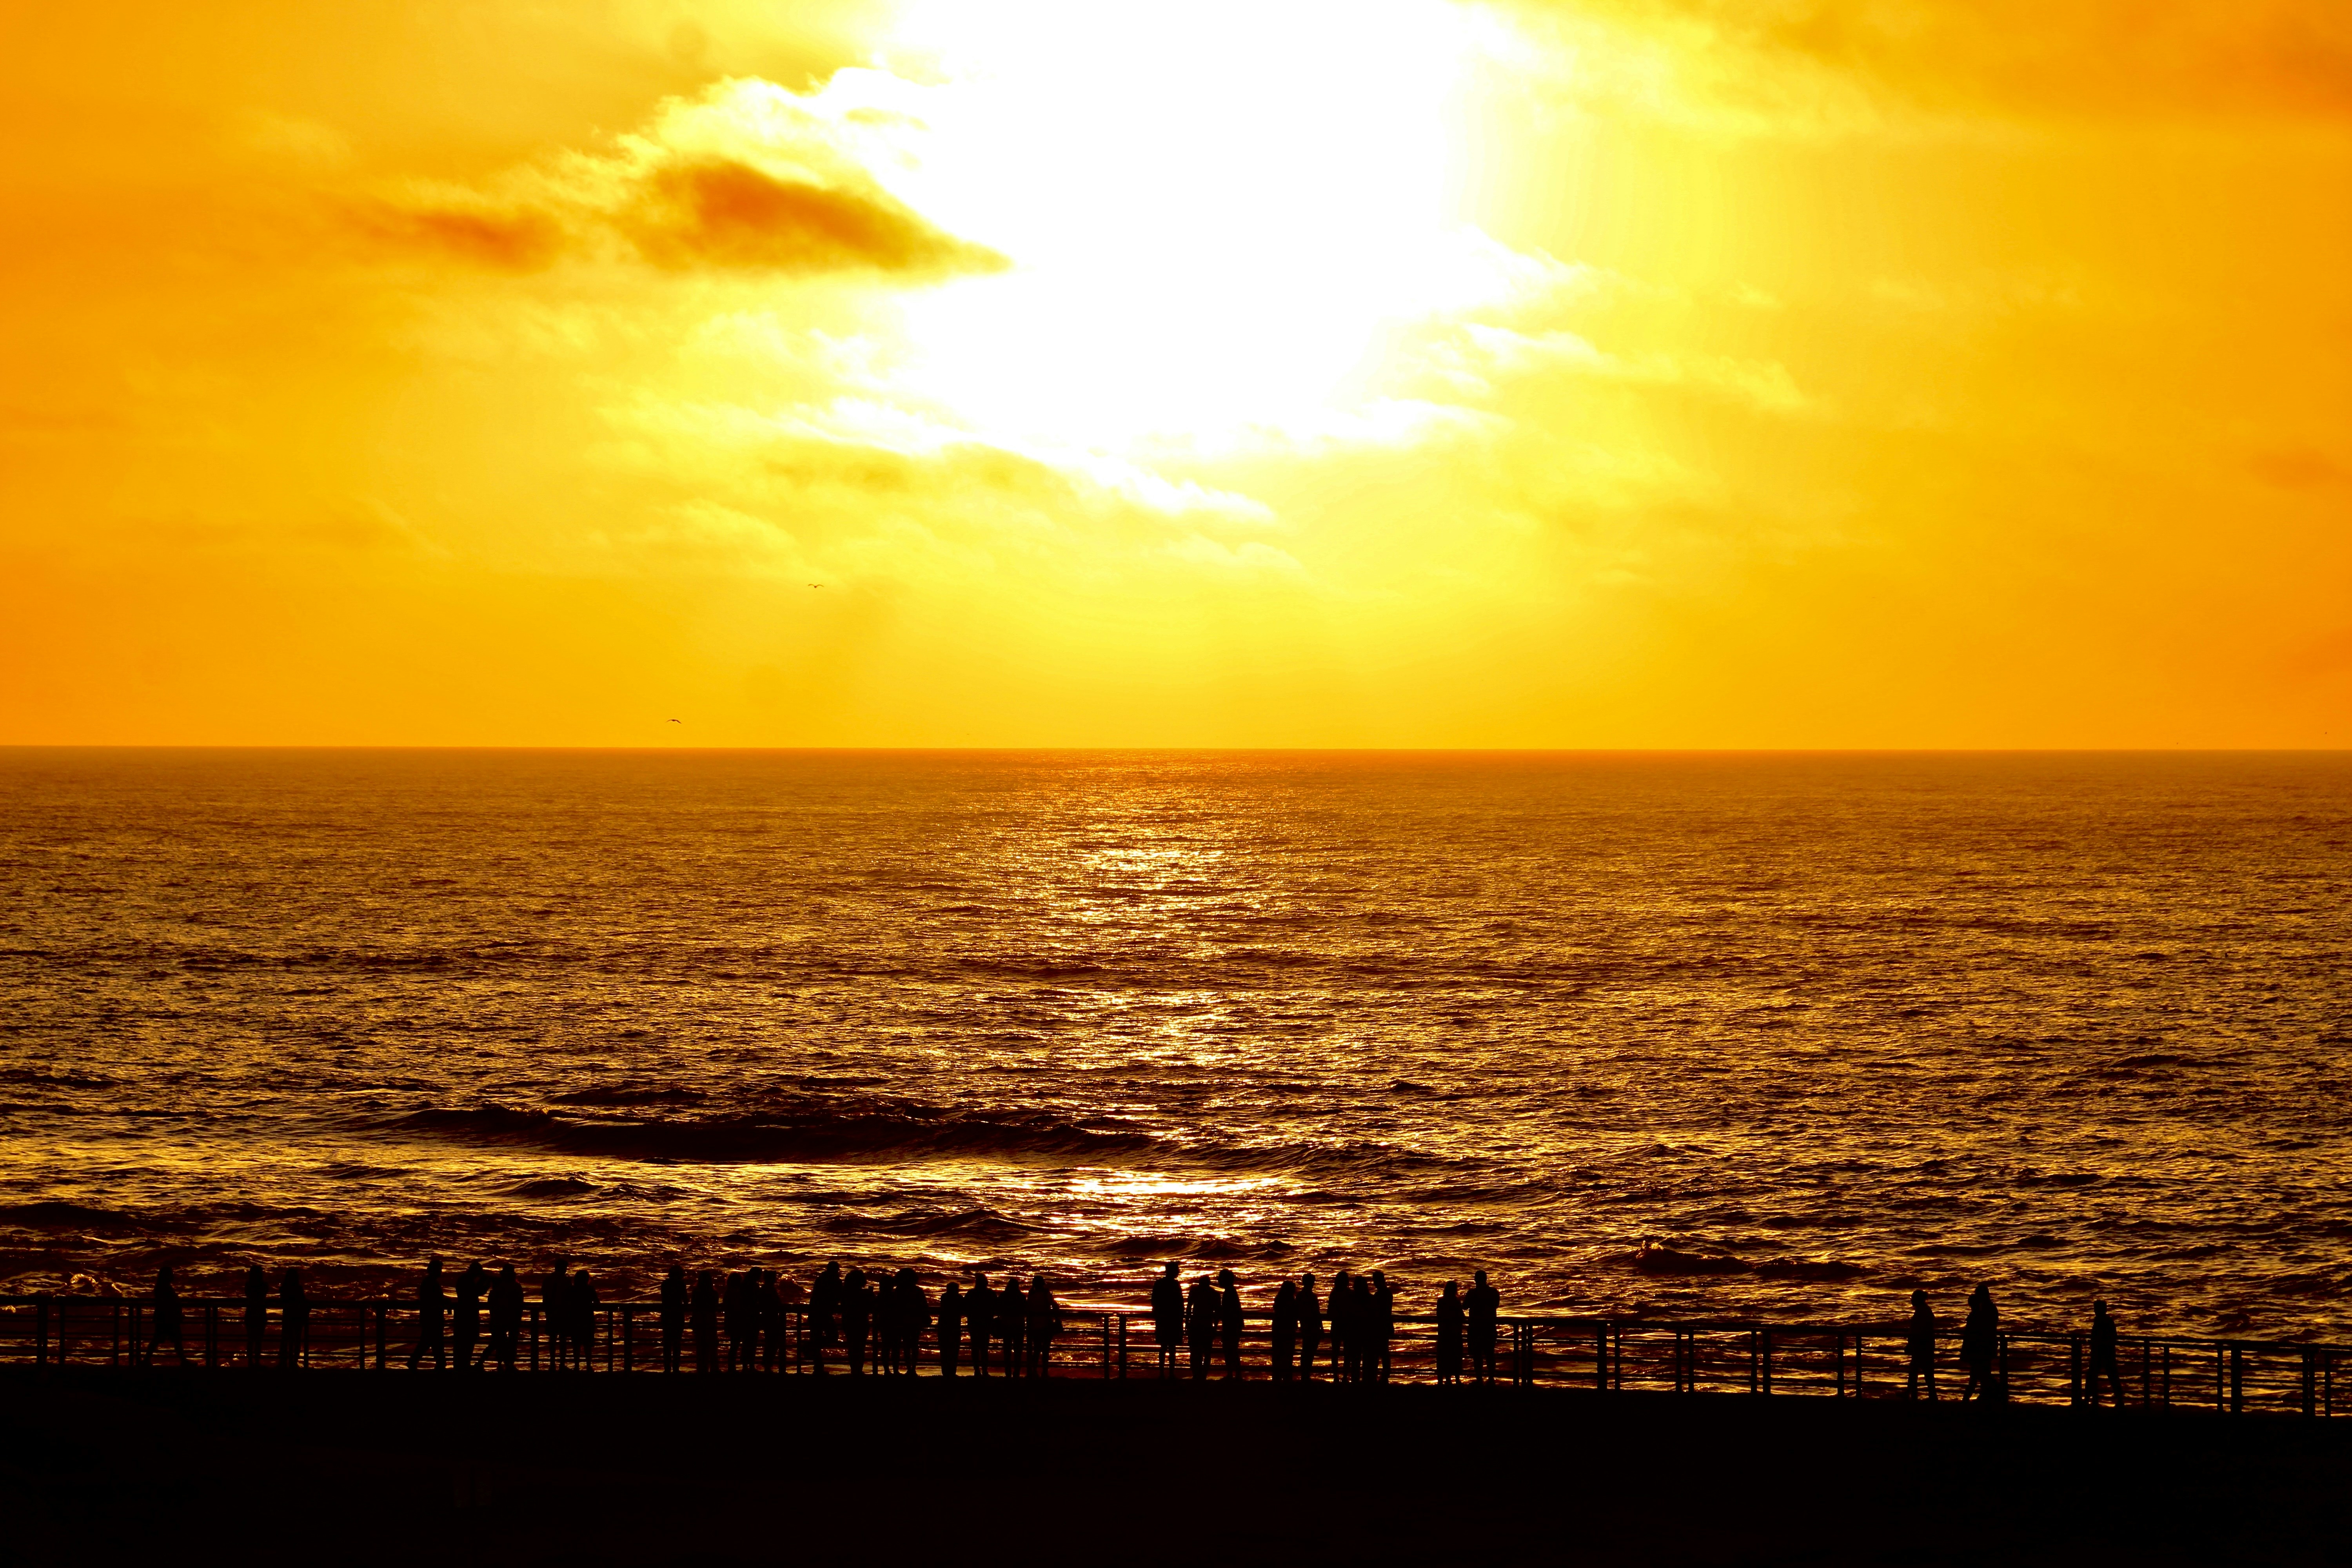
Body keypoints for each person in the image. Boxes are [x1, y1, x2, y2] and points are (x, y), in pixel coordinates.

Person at [1960, 1283, 2000, 1403]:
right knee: (1983, 1374)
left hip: (1982, 1348)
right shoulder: (1987, 1308)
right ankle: (1988, 1395)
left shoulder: (1984, 1311)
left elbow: (1980, 1330)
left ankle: (1991, 1394)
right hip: (1985, 1347)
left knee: (1980, 1375)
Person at [407, 1258, 449, 1371]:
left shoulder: (428, 1282)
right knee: (433, 1340)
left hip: (429, 1316)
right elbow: (433, 1300)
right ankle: (440, 1362)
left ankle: (440, 1362)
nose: (441, 1272)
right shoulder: (431, 1283)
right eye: (440, 1269)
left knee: (430, 1341)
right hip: (433, 1317)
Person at [2087, 1300, 2126, 1407]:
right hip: (2107, 1353)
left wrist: (2096, 1343)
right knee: (2111, 1377)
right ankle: (2119, 1400)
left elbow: (2106, 1337)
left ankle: (2091, 1400)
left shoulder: (2102, 1321)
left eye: (2096, 1309)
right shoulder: (2107, 1321)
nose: (2095, 1311)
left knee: (2093, 1377)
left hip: (2102, 1353)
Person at [146, 1264, 186, 1367]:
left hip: (165, 1318)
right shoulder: (165, 1288)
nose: (173, 1276)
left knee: (159, 1339)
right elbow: (168, 1304)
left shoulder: (162, 1287)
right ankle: (184, 1362)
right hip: (168, 1318)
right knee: (175, 1340)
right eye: (171, 1274)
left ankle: (146, 1361)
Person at [1151, 1262, 1184, 1378]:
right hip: (1173, 1319)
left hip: (1163, 1319)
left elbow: (1154, 1301)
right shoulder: (1175, 1285)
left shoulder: (1159, 1283)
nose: (1179, 1272)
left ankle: (1162, 1373)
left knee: (1164, 1346)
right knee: (1172, 1347)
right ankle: (1171, 1373)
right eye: (1177, 1270)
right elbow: (1180, 1303)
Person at [487, 1263, 523, 1371]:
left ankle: (502, 1363)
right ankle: (509, 1363)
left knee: (499, 1342)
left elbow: (492, 1301)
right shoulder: (516, 1286)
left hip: (500, 1317)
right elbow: (520, 1302)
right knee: (510, 1342)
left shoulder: (499, 1287)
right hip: (512, 1317)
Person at [1467, 1270, 1500, 1383]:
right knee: (1490, 1354)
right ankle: (1491, 1378)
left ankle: (1479, 1378)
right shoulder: (1494, 1292)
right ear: (1486, 1279)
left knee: (1477, 1355)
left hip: (1475, 1327)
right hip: (1490, 1327)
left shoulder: (1472, 1293)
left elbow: (1465, 1306)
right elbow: (1497, 1305)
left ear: (1475, 1280)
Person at [453, 1261, 487, 1372]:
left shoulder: (464, 1279)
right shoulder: (467, 1281)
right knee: (468, 1340)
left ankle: (462, 1365)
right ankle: (464, 1365)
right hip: (468, 1315)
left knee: (464, 1341)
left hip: (464, 1314)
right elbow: (476, 1292)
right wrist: (485, 1283)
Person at [1904, 1290, 1937, 1400]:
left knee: (1918, 1373)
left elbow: (1920, 1330)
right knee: (1922, 1373)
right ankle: (1913, 1394)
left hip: (1922, 1347)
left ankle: (1914, 1395)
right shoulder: (1925, 1310)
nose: (1912, 1300)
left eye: (1912, 1298)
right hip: (1923, 1347)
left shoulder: (1923, 1312)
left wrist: (1912, 1342)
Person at [1185, 1275, 1217, 1380]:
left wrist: (1187, 1322)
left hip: (1196, 1323)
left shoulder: (1194, 1291)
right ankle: (1203, 1375)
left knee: (1195, 1351)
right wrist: (1215, 1327)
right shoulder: (1214, 1293)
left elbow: (1189, 1307)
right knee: (1206, 1352)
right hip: (1207, 1324)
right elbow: (1217, 1313)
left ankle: (1196, 1374)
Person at [541, 1259, 570, 1370]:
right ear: (563, 1268)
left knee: (552, 1339)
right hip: (563, 1313)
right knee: (563, 1340)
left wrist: (547, 1311)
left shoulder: (548, 1279)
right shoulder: (566, 1281)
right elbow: (569, 1298)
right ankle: (562, 1364)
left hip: (551, 1312)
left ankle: (552, 1363)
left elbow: (544, 1296)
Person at [1026, 1275, 1059, 1377]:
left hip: (1034, 1325)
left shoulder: (1031, 1294)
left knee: (1036, 1350)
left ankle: (1034, 1371)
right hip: (1046, 1325)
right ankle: (1045, 1372)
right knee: (1046, 1350)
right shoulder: (1046, 1294)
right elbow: (1054, 1306)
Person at [842, 1268, 871, 1376]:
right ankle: (858, 1370)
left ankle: (854, 1370)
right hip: (862, 1322)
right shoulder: (864, 1294)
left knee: (852, 1346)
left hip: (848, 1321)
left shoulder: (845, 1294)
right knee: (860, 1347)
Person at [659, 1264, 688, 1374]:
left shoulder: (665, 1284)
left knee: (667, 1342)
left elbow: (664, 1300)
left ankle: (667, 1367)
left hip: (667, 1314)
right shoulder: (681, 1284)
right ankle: (676, 1368)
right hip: (678, 1315)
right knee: (677, 1343)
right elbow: (685, 1301)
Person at [1216, 1269, 1244, 1380]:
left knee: (1230, 1350)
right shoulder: (1231, 1291)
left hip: (1231, 1326)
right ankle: (1235, 1374)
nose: (1218, 1280)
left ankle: (1233, 1375)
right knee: (1232, 1350)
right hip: (1234, 1325)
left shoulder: (1229, 1292)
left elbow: (1228, 1311)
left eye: (1220, 1278)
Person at [966, 1272, 995, 1377]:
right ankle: (985, 1370)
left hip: (974, 1323)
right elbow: (996, 1307)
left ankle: (977, 1370)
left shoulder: (971, 1293)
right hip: (986, 1323)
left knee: (975, 1347)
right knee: (984, 1348)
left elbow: (966, 1307)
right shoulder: (990, 1294)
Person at [278, 1269, 308, 1369]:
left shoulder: (284, 1289)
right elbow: (305, 1302)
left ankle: (284, 1362)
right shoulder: (299, 1289)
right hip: (298, 1318)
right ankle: (293, 1362)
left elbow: (282, 1301)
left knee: (286, 1340)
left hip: (288, 1317)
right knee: (296, 1341)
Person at [1328, 1270, 1355, 1382]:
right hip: (1348, 1326)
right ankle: (1344, 1376)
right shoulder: (1351, 1294)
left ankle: (1336, 1376)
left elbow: (1330, 1311)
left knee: (1335, 1352)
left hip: (1336, 1325)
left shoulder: (1334, 1294)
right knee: (1347, 1353)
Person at [690, 1270, 720, 1373]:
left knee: (700, 1346)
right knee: (712, 1346)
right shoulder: (714, 1293)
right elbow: (716, 1307)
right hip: (710, 1320)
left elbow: (693, 1306)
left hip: (699, 1320)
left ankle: (701, 1369)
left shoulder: (696, 1292)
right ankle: (714, 1369)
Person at [1295, 1273, 1323, 1381]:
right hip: (1313, 1327)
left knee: (1306, 1351)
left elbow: (1297, 1311)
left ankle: (1304, 1374)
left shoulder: (1300, 1296)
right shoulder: (1313, 1297)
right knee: (1310, 1352)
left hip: (1305, 1326)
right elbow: (1317, 1313)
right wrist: (1321, 1328)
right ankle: (1306, 1374)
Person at [1435, 1281, 1464, 1385]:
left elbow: (1439, 1316)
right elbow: (1462, 1317)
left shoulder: (1441, 1301)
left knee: (1443, 1356)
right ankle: (1456, 1379)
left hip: (1443, 1332)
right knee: (1455, 1355)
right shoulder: (1456, 1302)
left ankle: (1444, 1379)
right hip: (1455, 1332)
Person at [569, 1269, 598, 1370]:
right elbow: (597, 1304)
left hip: (575, 1318)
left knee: (576, 1345)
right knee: (588, 1345)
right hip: (588, 1318)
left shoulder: (572, 1290)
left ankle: (577, 1366)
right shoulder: (590, 1289)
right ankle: (589, 1366)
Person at [1369, 1271, 1395, 1383]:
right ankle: (1385, 1375)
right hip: (1385, 1325)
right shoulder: (1388, 1293)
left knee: (1379, 1353)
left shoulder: (1379, 1295)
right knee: (1384, 1352)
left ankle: (1379, 1375)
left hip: (1379, 1327)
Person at [1270, 1278, 1298, 1381]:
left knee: (1278, 1354)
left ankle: (1277, 1377)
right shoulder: (1292, 1302)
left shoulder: (1279, 1302)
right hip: (1288, 1331)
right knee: (1288, 1355)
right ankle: (1287, 1378)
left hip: (1278, 1330)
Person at [243, 1264, 270, 1368]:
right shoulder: (264, 1285)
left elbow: (248, 1295)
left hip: (250, 1313)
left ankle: (250, 1362)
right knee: (259, 1340)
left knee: (250, 1339)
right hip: (261, 1313)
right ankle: (257, 1362)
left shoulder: (248, 1285)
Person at [937, 1279, 964, 1376]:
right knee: (954, 1349)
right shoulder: (959, 1298)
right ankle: (952, 1371)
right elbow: (963, 1308)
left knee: (944, 1349)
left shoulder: (944, 1297)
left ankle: (945, 1372)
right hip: (955, 1326)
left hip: (943, 1326)